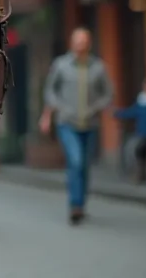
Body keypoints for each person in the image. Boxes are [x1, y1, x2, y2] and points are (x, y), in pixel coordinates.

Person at [40, 27, 113, 225]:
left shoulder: (98, 67)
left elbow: (107, 94)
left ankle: (81, 202)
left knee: (84, 166)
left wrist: (97, 107)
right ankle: (75, 205)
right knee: (76, 161)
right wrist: (53, 111)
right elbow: (50, 90)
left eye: (84, 41)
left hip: (90, 123)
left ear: (89, 43)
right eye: (77, 40)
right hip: (67, 122)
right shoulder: (61, 65)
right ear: (72, 43)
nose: (80, 44)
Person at [114, 78, 146, 183]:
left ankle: (137, 173)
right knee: (131, 146)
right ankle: (137, 172)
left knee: (134, 147)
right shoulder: (143, 101)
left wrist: (117, 113)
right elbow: (132, 112)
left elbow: (137, 113)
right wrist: (117, 113)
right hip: (142, 134)